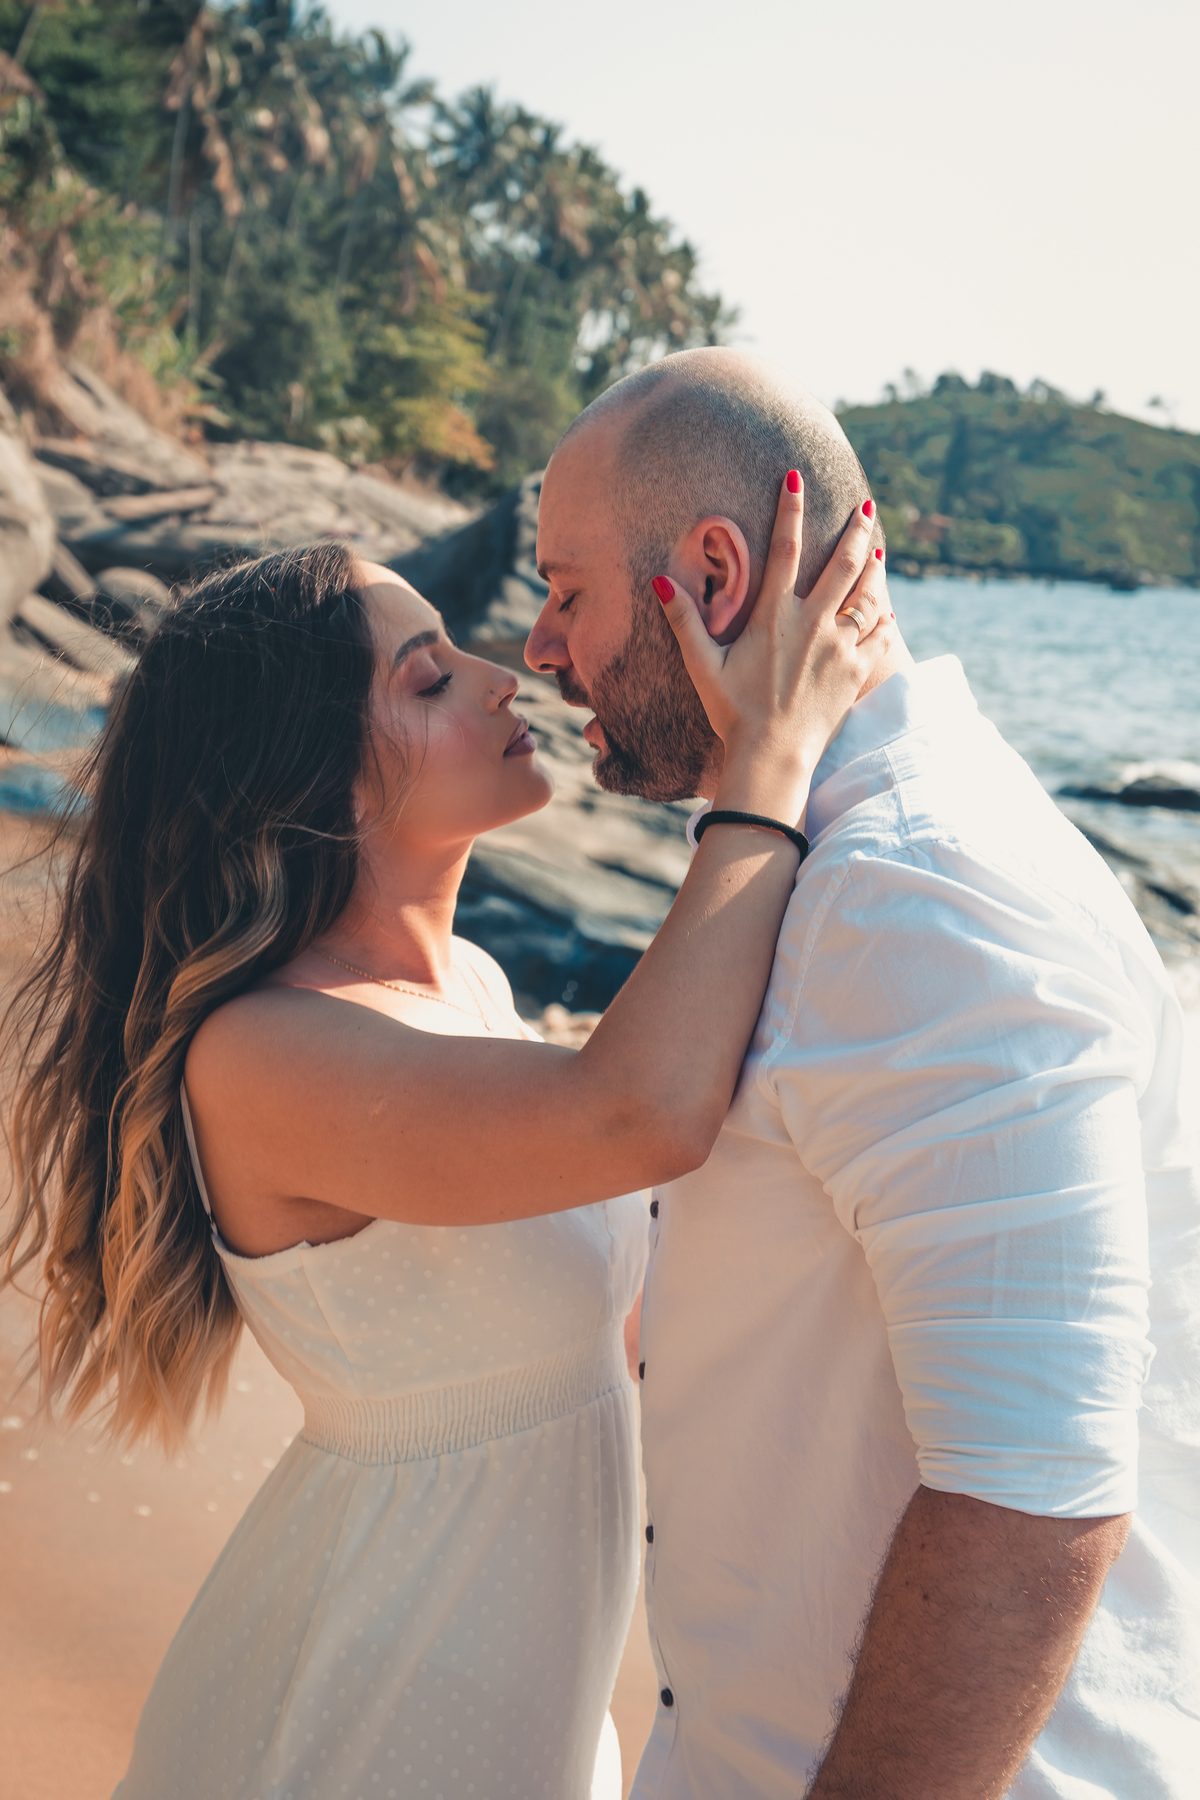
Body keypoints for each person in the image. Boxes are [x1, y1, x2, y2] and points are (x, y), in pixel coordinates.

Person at [1, 475, 890, 1799]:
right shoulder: (264, 1052)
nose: (504, 674)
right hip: (374, 1690)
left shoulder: (468, 989)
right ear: (316, 788)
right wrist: (764, 762)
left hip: (513, 1675)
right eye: (426, 682)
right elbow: (642, 1112)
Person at [526, 346, 1200, 1800]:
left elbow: (1033, 1499)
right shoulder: (829, 858)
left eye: (565, 592)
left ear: (711, 573)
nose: (536, 644)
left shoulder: (918, 893)